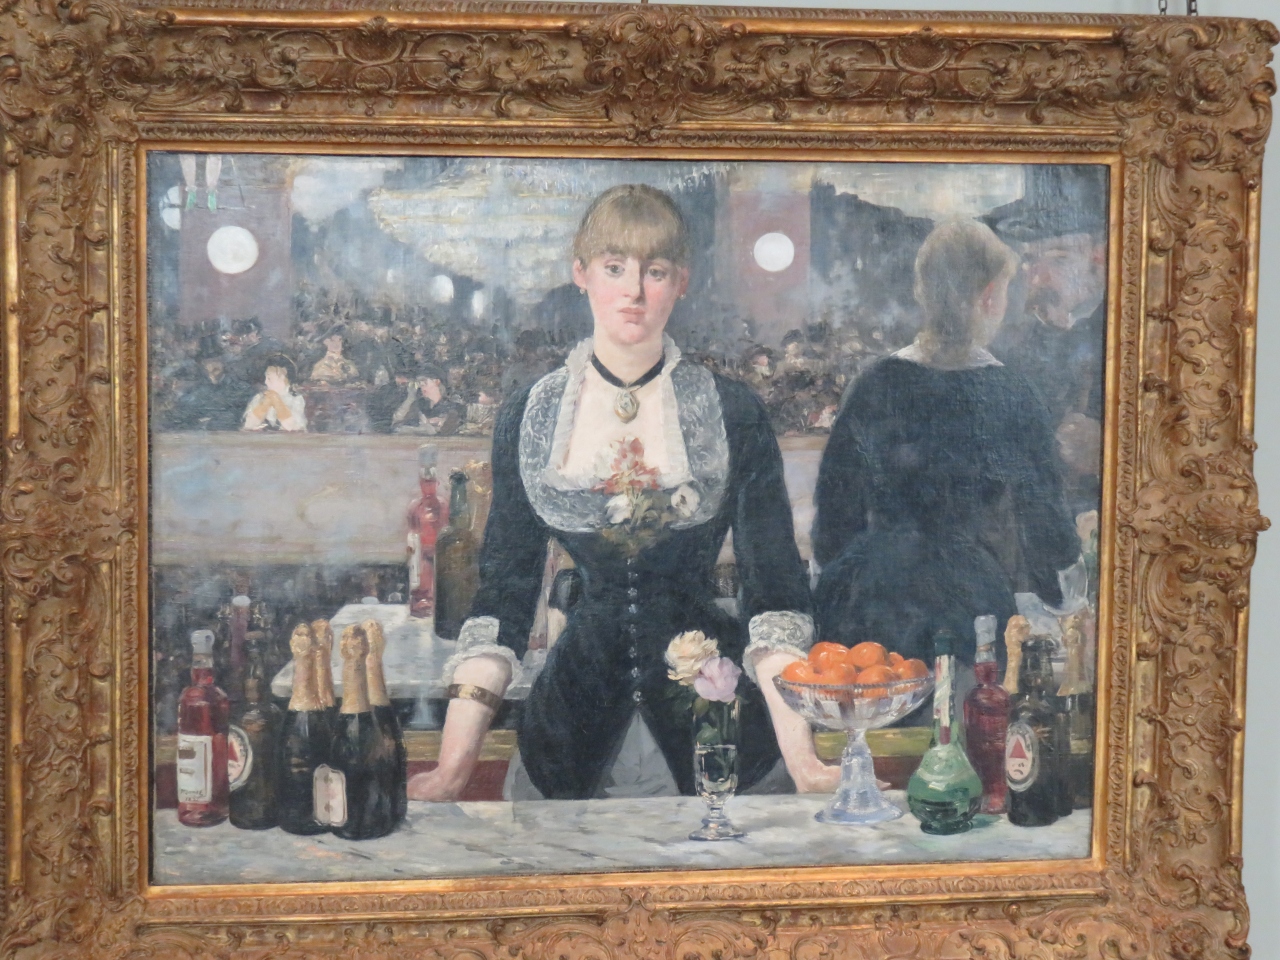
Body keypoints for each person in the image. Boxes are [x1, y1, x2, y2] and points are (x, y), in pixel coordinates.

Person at [408, 184, 837, 803]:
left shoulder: (730, 411)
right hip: (570, 732)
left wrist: (805, 763)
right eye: (614, 268)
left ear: (681, 282)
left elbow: (774, 599)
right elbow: (503, 601)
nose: (634, 292)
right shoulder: (533, 413)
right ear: (580, 273)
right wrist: (453, 767)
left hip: (718, 730)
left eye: (654, 271)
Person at [811, 219, 1079, 669]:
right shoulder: (1011, 393)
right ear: (989, 297)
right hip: (966, 598)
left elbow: (834, 516)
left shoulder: (874, 382)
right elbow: (1044, 519)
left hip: (866, 596)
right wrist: (1062, 597)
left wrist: (843, 577)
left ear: (923, 292)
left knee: (870, 699)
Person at [984, 165, 1109, 515]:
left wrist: (1108, 452)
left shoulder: (1137, 336)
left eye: (1059, 258)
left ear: (1100, 259)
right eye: (1030, 260)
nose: (1038, 278)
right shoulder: (1007, 353)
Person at [391, 364, 463, 435]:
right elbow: (398, 425)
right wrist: (410, 397)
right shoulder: (418, 405)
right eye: (419, 383)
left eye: (424, 382)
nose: (421, 386)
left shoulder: (452, 407)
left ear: (437, 382)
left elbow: (447, 429)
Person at [241, 360, 307, 432]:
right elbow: (248, 425)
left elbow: (292, 428)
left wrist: (276, 401)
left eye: (269, 378)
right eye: (266, 378)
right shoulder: (259, 398)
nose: (265, 382)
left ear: (284, 379)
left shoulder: (296, 399)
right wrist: (265, 404)